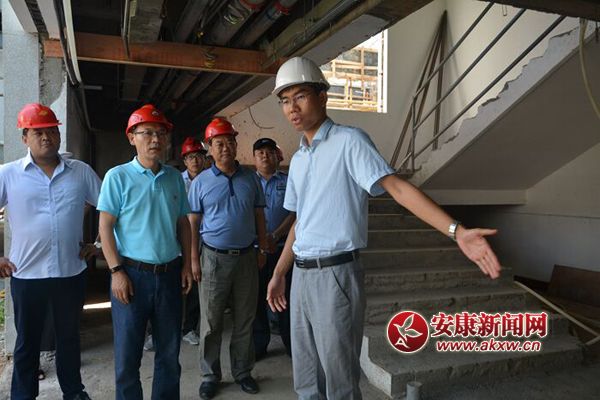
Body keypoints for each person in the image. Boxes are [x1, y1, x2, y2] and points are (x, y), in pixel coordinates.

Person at [266, 57, 502, 400]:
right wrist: (279, 272)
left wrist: (457, 231)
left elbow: (398, 189)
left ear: (322, 96)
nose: (292, 108)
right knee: (305, 377)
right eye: (285, 100)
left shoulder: (349, 141)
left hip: (335, 275)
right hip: (300, 275)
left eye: (300, 96)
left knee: (339, 380)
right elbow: (301, 221)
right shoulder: (299, 159)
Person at [0, 103, 101, 400]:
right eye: (38, 132)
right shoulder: (8, 174)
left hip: (70, 273)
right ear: (25, 138)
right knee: (27, 342)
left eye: (52, 131)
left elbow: (111, 208)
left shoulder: (80, 172)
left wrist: (97, 245)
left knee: (68, 338)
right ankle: (23, 395)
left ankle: (74, 392)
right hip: (26, 275)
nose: (47, 137)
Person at [97, 104, 193, 400]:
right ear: (131, 138)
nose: (155, 139)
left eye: (161, 133)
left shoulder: (174, 177)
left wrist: (187, 265)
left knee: (169, 353)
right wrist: (116, 271)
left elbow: (183, 224)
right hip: (132, 276)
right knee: (128, 356)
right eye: (147, 132)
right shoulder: (117, 177)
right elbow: (105, 227)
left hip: (169, 275)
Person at [188, 117, 268, 399]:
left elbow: (259, 216)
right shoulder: (201, 182)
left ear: (236, 145)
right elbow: (193, 223)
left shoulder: (251, 178)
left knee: (245, 319)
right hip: (213, 259)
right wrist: (194, 260)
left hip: (247, 257)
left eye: (230, 142)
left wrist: (262, 249)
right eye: (219, 143)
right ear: (209, 148)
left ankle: (243, 372)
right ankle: (210, 376)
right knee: (211, 322)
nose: (225, 148)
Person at [251, 138, 295, 359]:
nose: (265, 156)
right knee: (257, 298)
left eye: (269, 152)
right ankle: (259, 345)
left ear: (277, 156)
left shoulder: (288, 181)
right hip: (256, 250)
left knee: (286, 298)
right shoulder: (248, 182)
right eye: (260, 153)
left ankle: (291, 344)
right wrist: (261, 239)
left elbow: (295, 212)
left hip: (283, 248)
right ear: (254, 158)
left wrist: (275, 234)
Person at [181, 137, 209, 345]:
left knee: (196, 284)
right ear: (185, 161)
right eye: (191, 157)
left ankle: (189, 328)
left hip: (202, 239)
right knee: (173, 284)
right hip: (178, 238)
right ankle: (159, 331)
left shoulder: (210, 180)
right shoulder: (175, 181)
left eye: (199, 156)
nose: (195, 161)